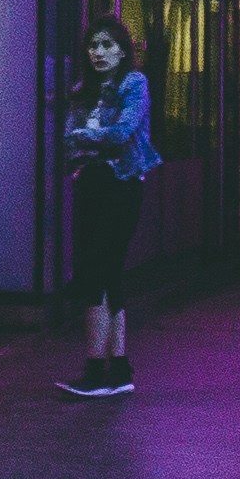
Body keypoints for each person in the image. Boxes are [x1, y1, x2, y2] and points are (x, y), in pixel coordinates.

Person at [58, 20, 159, 399]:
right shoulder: (82, 90)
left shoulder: (134, 83)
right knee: (110, 272)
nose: (97, 53)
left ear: (122, 49)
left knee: (95, 272)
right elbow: (70, 141)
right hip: (91, 183)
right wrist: (87, 141)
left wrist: (87, 136)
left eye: (106, 45)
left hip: (121, 183)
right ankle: (119, 368)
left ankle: (95, 370)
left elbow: (123, 131)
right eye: (92, 46)